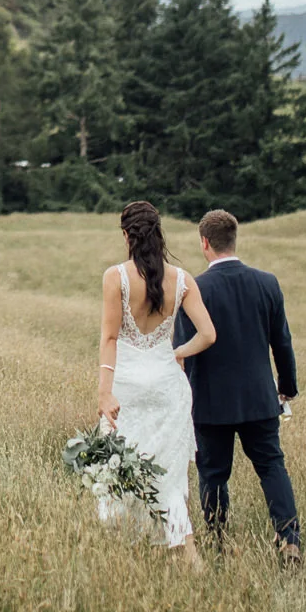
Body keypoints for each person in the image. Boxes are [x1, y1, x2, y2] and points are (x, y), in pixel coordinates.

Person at [175, 208, 302, 564]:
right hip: (259, 399)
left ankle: (216, 540)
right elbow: (283, 343)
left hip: (210, 401)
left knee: (213, 473)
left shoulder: (195, 288)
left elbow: (186, 350)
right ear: (234, 239)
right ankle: (289, 537)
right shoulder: (268, 282)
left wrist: (183, 399)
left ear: (205, 243)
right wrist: (287, 388)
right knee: (272, 467)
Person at [96, 200, 215, 566]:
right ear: (158, 233)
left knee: (120, 470)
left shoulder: (115, 276)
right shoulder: (182, 280)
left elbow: (110, 338)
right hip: (167, 386)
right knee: (169, 477)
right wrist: (178, 351)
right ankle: (189, 558)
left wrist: (104, 391)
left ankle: (123, 556)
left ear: (126, 235)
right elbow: (209, 334)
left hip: (127, 387)